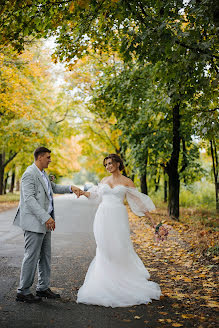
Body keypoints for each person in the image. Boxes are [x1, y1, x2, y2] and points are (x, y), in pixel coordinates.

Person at [77, 154, 162, 307]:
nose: (108, 166)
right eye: (106, 165)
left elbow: (138, 201)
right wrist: (83, 193)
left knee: (119, 247)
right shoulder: (103, 181)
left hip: (118, 218)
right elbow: (95, 194)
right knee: (104, 248)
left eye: (110, 163)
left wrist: (151, 219)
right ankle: (105, 281)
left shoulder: (127, 182)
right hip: (102, 217)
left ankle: (122, 280)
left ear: (117, 163)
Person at [13, 146, 81, 303]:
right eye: (48, 157)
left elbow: (54, 188)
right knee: (31, 256)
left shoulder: (43, 174)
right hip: (34, 222)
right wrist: (46, 217)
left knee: (45, 256)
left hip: (45, 222)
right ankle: (23, 291)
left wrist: (71, 188)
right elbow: (29, 200)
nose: (50, 160)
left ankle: (42, 288)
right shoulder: (29, 174)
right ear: (39, 157)